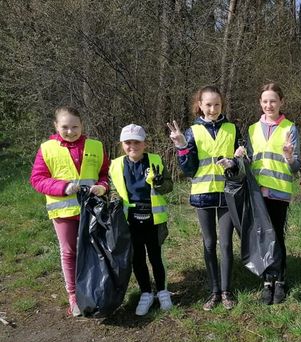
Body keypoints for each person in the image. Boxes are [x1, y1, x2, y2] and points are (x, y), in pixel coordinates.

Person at [30, 106, 110, 317]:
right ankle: (74, 297)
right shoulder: (47, 148)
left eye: (75, 126)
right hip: (64, 211)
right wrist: (63, 187)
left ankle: (95, 291)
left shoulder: (96, 146)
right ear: (56, 126)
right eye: (65, 127)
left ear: (82, 125)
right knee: (69, 252)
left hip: (92, 209)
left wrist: (103, 187)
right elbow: (37, 180)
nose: (70, 131)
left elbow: (105, 174)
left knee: (95, 251)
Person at [168, 85, 242, 311]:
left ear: (222, 105)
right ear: (199, 105)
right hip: (203, 194)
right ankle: (214, 291)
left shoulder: (232, 128)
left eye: (217, 104)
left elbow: (242, 159)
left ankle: (227, 291)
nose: (212, 109)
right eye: (208, 104)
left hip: (227, 193)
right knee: (209, 244)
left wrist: (235, 162)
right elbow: (189, 170)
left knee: (226, 243)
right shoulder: (191, 132)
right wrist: (182, 146)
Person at [235, 82, 301, 305]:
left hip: (279, 193)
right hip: (257, 194)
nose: (269, 105)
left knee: (277, 236)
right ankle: (266, 282)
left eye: (273, 100)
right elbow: (250, 163)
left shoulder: (290, 128)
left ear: (281, 102)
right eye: (265, 101)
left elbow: (295, 167)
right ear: (260, 103)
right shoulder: (252, 129)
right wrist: (241, 156)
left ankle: (280, 280)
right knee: (262, 236)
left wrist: (290, 157)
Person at [109, 124, 174, 316]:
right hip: (130, 220)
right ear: (122, 144)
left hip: (153, 218)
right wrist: (112, 198)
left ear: (144, 143)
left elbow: (169, 186)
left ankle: (162, 290)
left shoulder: (155, 160)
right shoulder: (116, 164)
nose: (132, 146)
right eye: (128, 142)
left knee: (155, 256)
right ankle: (146, 292)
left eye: (136, 142)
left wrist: (161, 183)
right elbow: (113, 189)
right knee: (137, 258)